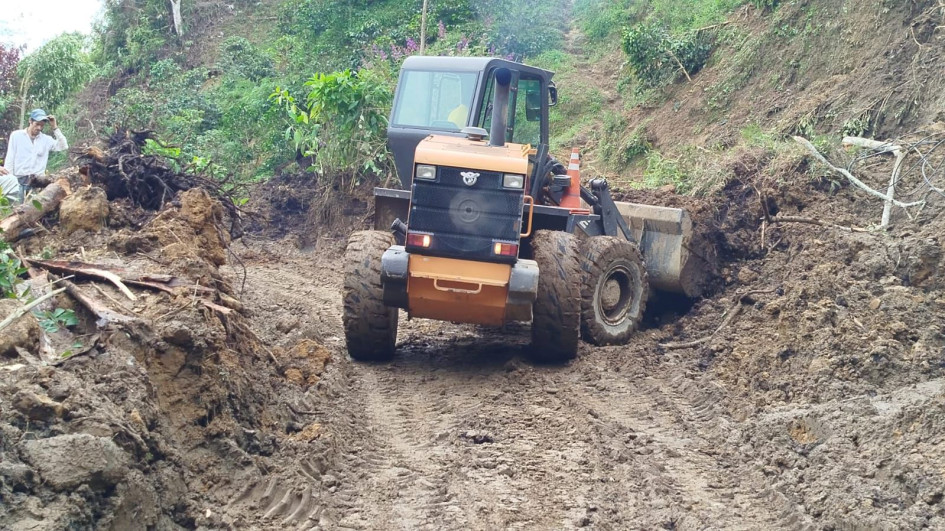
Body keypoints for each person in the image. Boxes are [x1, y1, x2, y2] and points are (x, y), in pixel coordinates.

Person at [1, 109, 68, 203]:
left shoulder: (46, 140)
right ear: (30, 121)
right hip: (19, 181)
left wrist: (55, 127)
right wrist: (10, 178)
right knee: (17, 211)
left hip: (36, 184)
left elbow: (63, 146)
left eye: (42, 125)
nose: (39, 128)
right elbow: (10, 157)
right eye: (37, 124)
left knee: (33, 212)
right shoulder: (16, 136)